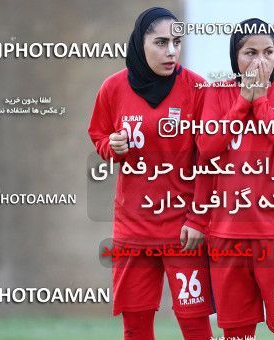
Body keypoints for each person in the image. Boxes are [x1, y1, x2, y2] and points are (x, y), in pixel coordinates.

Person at [88, 7, 213, 340]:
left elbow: (210, 162)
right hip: (133, 227)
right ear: (139, 43)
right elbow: (99, 136)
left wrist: (199, 220)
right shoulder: (112, 88)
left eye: (176, 42)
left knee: (195, 323)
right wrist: (111, 147)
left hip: (183, 228)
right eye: (161, 42)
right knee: (136, 326)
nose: (171, 51)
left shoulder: (198, 89)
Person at [197, 18, 274, 340]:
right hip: (227, 234)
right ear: (235, 56)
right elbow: (206, 148)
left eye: (269, 51)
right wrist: (241, 102)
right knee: (237, 333)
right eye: (250, 52)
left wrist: (259, 101)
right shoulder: (216, 94)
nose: (260, 60)